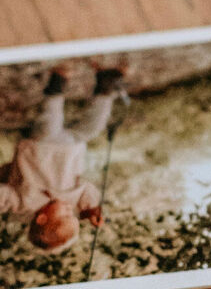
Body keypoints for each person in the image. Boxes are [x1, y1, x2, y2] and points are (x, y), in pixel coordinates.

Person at [0, 65, 124, 253]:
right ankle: (105, 86)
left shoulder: (25, 202)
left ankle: (58, 80)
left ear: (41, 218)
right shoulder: (74, 200)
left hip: (41, 146)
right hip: (72, 147)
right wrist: (90, 210)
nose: (69, 209)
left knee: (51, 118)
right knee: (95, 126)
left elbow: (5, 197)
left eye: (65, 214)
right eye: (71, 214)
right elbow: (88, 190)